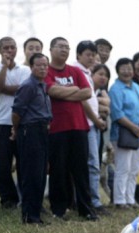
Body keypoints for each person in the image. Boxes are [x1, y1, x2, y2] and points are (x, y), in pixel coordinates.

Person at [45, 37, 98, 221]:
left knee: (81, 171)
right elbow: (52, 91)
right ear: (51, 49)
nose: (64, 50)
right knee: (58, 170)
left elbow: (87, 92)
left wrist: (66, 91)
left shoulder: (75, 70)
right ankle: (58, 209)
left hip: (79, 127)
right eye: (60, 47)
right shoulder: (47, 70)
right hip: (57, 128)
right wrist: (74, 91)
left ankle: (86, 209)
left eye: (67, 47)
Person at [0, 37, 30, 209]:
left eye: (13, 47)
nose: (10, 51)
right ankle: (9, 201)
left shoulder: (25, 70)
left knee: (24, 164)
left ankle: (25, 199)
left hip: (22, 122)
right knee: (2, 165)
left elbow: (25, 90)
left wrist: (3, 88)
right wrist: (4, 67)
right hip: (0, 123)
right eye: (6, 48)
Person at [11, 53, 53, 225]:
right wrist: (16, 130)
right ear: (31, 66)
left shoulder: (42, 86)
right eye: (39, 65)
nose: (43, 68)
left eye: (45, 65)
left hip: (43, 131)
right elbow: (16, 112)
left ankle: (36, 214)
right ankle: (29, 217)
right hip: (30, 131)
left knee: (41, 175)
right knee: (31, 175)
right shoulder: (28, 86)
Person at [108, 58, 139, 208]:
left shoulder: (137, 87)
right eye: (123, 68)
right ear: (117, 70)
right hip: (123, 134)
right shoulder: (115, 89)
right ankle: (120, 201)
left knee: (134, 168)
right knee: (123, 168)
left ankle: (130, 199)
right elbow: (116, 113)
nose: (127, 71)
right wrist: (133, 127)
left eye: (129, 68)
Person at [74, 40, 108, 215]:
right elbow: (82, 100)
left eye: (93, 55)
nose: (91, 58)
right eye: (87, 54)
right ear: (78, 55)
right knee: (92, 164)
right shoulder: (76, 71)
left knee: (91, 165)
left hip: (92, 124)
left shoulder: (87, 72)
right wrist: (96, 119)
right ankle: (92, 201)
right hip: (86, 124)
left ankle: (90, 200)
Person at [92, 64, 113, 202]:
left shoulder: (102, 92)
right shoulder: (88, 90)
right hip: (88, 130)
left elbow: (107, 111)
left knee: (100, 169)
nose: (103, 77)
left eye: (106, 75)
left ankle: (98, 199)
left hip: (101, 134)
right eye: (100, 74)